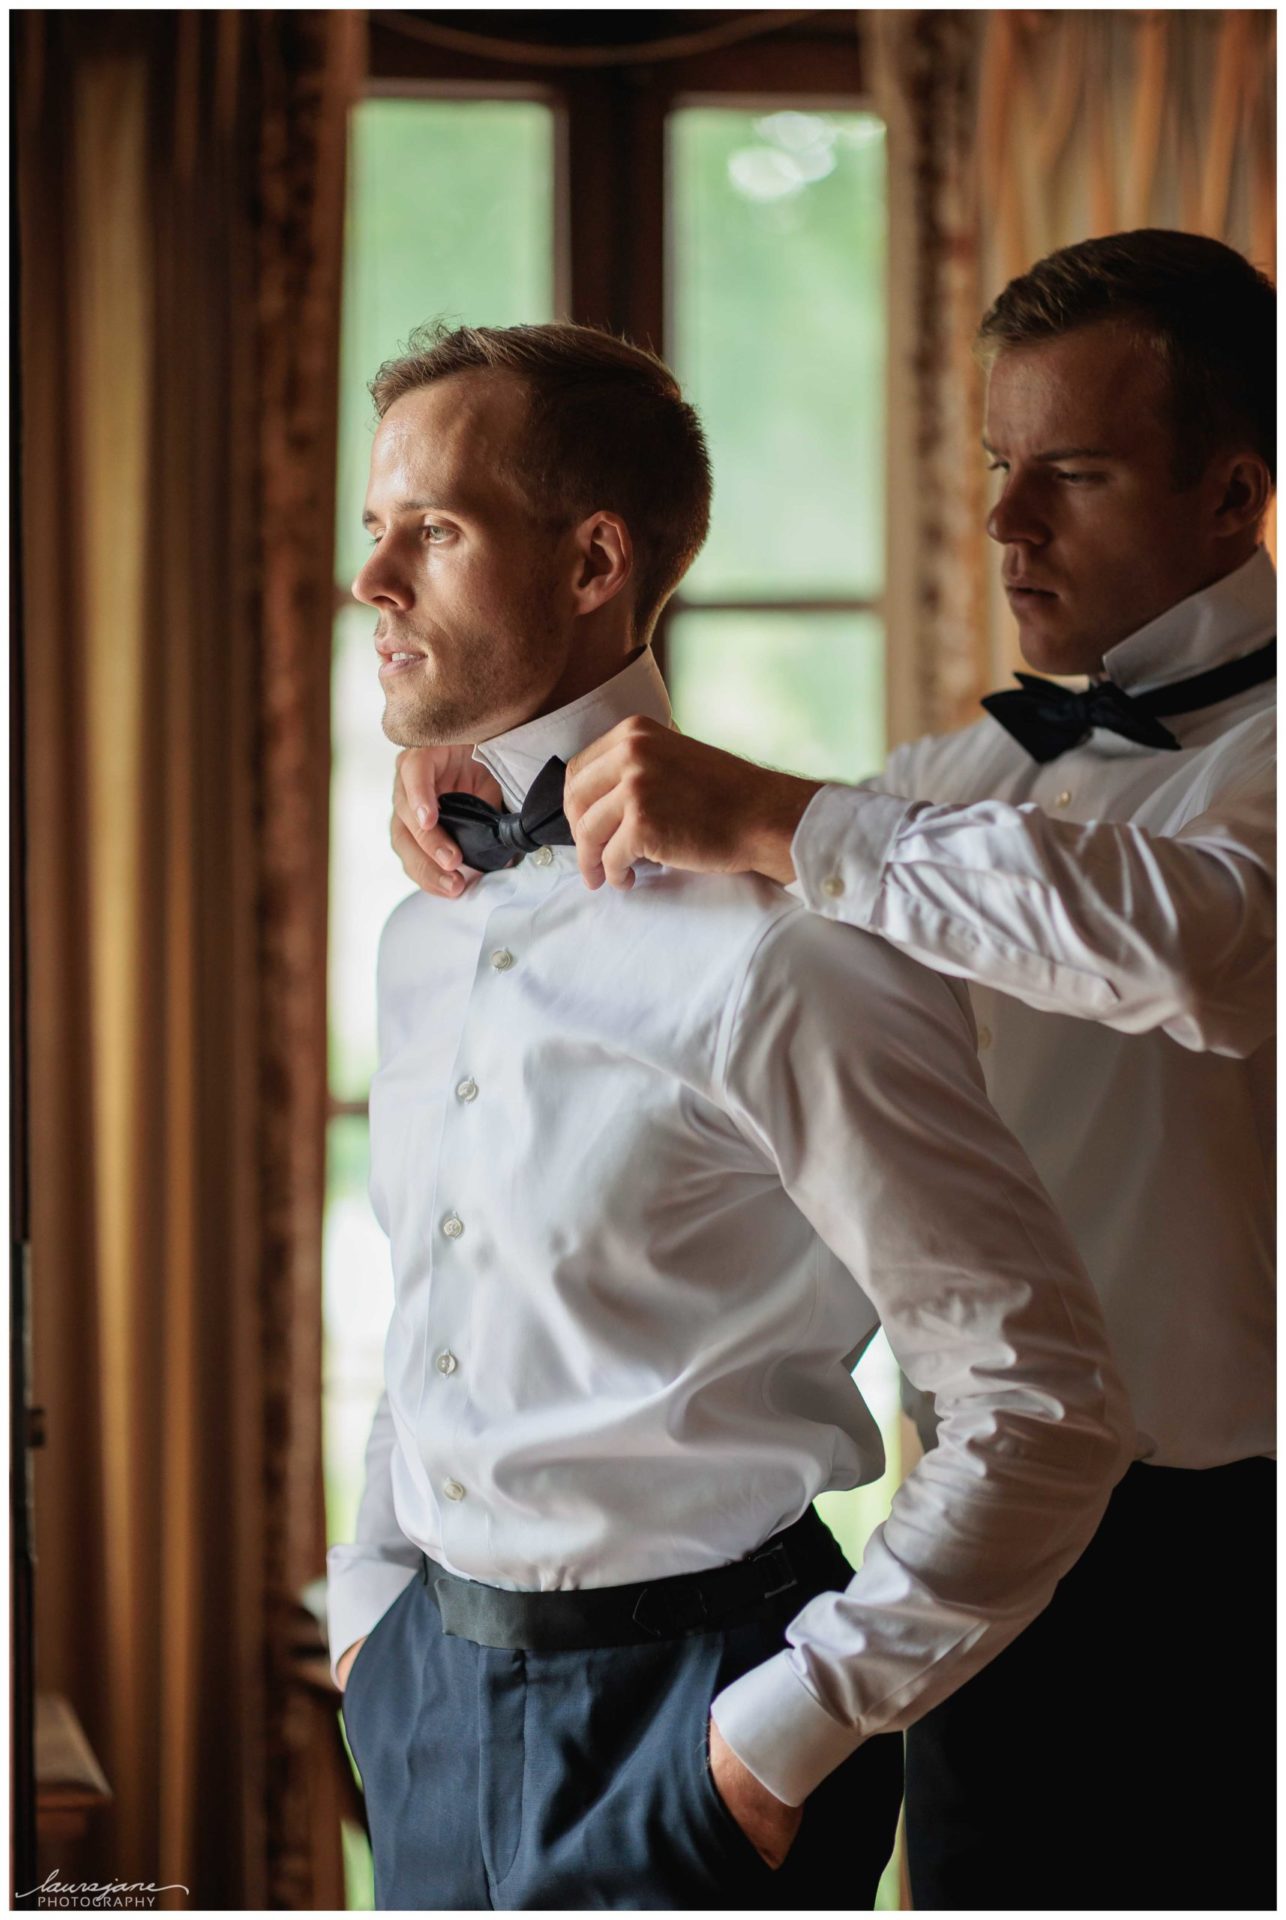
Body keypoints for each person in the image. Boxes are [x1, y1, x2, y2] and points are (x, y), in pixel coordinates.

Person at [392, 230, 1277, 1910]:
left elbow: (1200, 947)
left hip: (1232, 1566)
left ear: (1233, 493)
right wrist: (499, 782)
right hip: (988, 1546)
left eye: (1069, 475)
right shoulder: (957, 774)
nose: (1007, 523)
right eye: (999, 469)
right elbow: (763, 933)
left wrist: (790, 822)